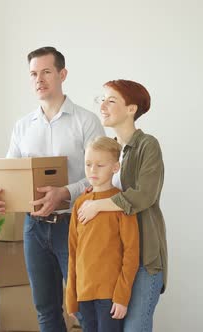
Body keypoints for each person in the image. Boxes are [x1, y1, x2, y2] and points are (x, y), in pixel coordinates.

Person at [0, 46, 105, 331]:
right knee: (45, 310)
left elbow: (102, 179)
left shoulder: (86, 122)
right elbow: (8, 175)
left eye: (46, 72)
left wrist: (66, 192)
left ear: (62, 74)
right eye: (33, 74)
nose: (39, 79)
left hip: (74, 225)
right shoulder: (23, 127)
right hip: (33, 228)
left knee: (83, 309)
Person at [77, 79, 168, 332]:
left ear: (131, 109)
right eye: (102, 99)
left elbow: (145, 195)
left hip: (143, 260)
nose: (103, 106)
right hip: (113, 263)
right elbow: (101, 189)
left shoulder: (148, 145)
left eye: (111, 100)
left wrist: (100, 205)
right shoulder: (109, 151)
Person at [66, 136, 139, 332]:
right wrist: (71, 296)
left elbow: (131, 254)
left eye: (100, 165)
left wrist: (122, 297)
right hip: (84, 294)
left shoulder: (121, 204)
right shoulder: (80, 204)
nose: (92, 170)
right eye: (88, 164)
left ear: (115, 167)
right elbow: (73, 252)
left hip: (110, 296)